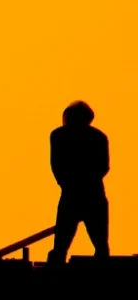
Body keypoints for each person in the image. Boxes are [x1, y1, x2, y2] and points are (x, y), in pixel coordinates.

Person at [48, 100, 109, 263]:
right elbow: (57, 165)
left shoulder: (97, 137)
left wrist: (75, 184)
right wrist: (69, 185)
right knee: (61, 246)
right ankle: (55, 271)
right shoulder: (59, 136)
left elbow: (103, 166)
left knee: (101, 246)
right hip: (78, 194)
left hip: (89, 195)